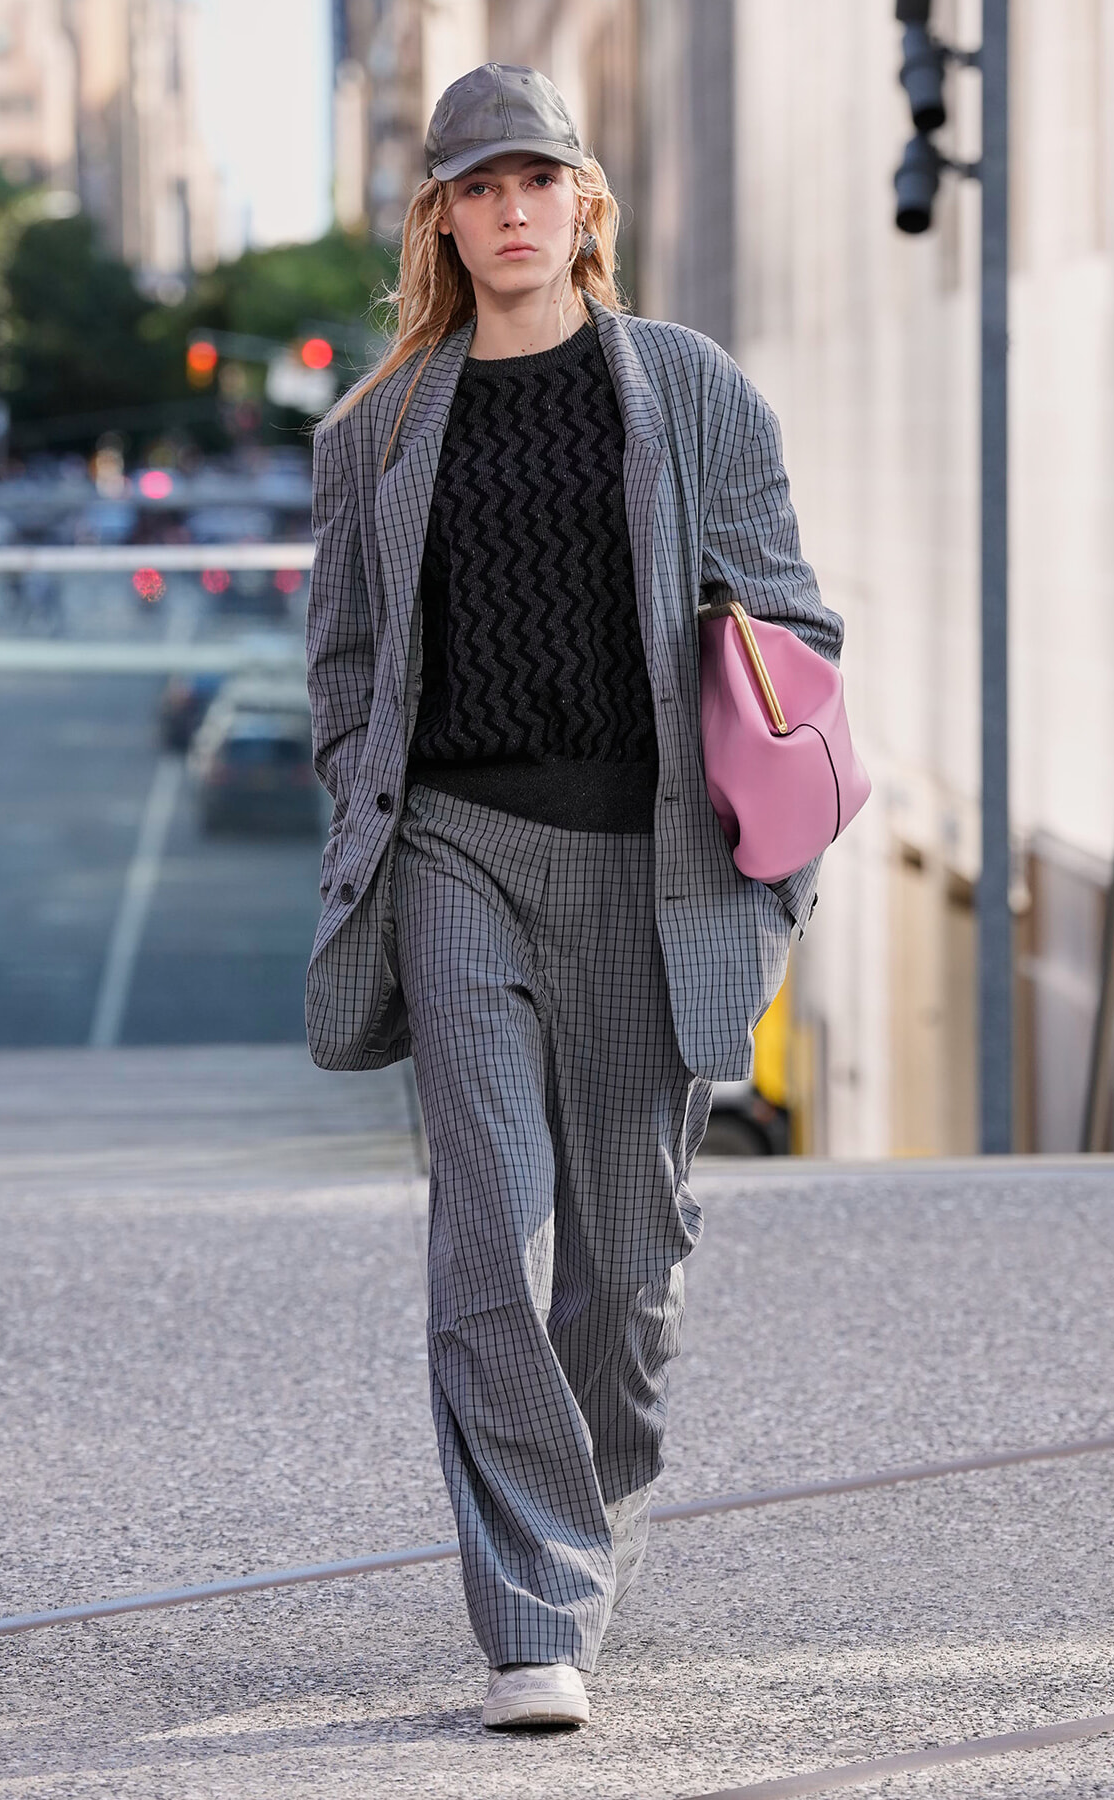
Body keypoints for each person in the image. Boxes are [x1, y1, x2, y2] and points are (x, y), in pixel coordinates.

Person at [305, 63, 843, 1732]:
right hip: (458, 849)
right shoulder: (376, 428)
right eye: (479, 186)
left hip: (648, 864)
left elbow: (794, 617)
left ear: (583, 204)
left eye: (536, 179)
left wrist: (752, 705)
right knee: (491, 1215)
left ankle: (579, 1519)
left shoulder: (689, 389)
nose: (512, 209)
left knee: (625, 1263)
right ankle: (533, 1610)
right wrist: (364, 802)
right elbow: (345, 663)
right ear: (443, 220)